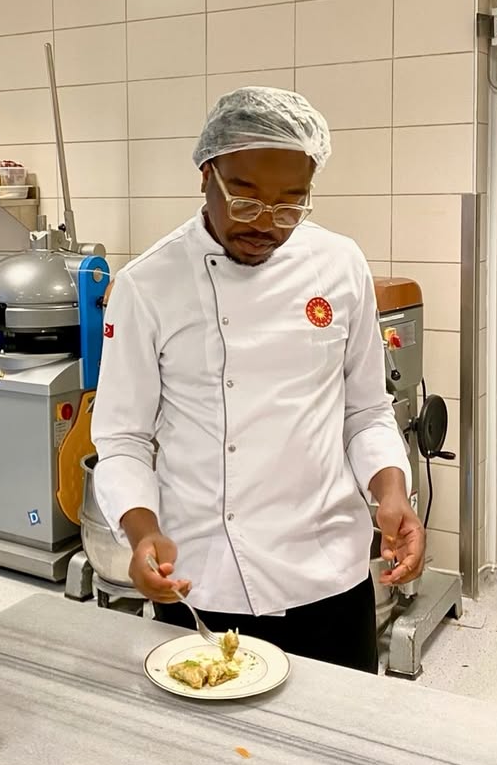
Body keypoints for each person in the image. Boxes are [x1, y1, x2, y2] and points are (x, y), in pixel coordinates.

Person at [90, 87, 424, 673]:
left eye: (290, 206)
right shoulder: (148, 285)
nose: (266, 224)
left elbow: (366, 411)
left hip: (328, 571)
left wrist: (392, 492)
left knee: (337, 730)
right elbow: (122, 439)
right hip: (202, 576)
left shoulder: (340, 264)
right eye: (244, 200)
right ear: (206, 174)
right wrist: (141, 534)